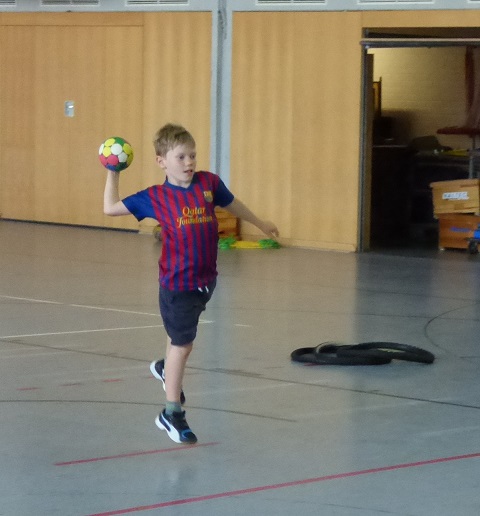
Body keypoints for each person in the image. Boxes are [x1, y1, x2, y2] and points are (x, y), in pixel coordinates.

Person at [103, 123, 279, 444]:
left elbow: (232, 203)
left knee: (179, 339)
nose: (189, 162)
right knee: (183, 345)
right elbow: (110, 208)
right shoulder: (155, 197)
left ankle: (164, 368)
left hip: (205, 281)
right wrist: (113, 173)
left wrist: (259, 222)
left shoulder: (208, 183)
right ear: (162, 162)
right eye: (181, 157)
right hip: (177, 285)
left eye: (192, 156)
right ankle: (171, 413)